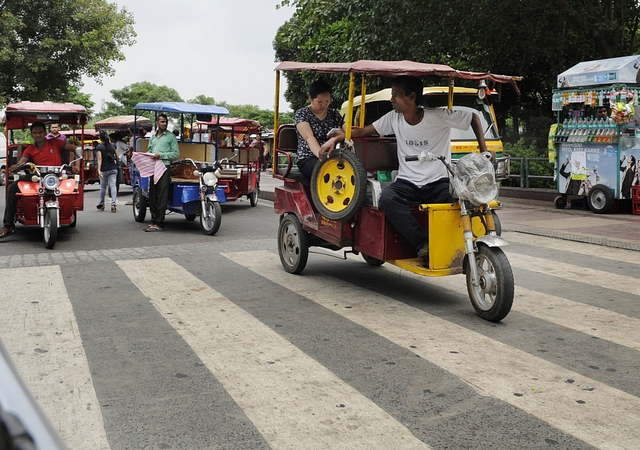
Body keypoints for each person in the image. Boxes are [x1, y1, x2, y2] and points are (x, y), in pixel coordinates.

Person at [349, 76, 489, 260]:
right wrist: (338, 136)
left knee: (462, 202)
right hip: (408, 183)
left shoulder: (437, 116)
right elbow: (362, 131)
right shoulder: (394, 118)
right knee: (388, 199)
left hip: (438, 182)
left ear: (412, 97)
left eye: (396, 95)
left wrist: (485, 151)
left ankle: (464, 244)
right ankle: (422, 243)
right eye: (393, 95)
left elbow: (473, 117)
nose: (392, 99)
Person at [1, 122, 82, 239]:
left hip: (55, 176)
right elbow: (22, 161)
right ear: (32, 135)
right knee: (12, 187)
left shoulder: (56, 143)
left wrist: (77, 166)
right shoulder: (30, 149)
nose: (38, 135)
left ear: (45, 133)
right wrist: (16, 166)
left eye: (40, 132)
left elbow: (75, 149)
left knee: (71, 188)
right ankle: (8, 225)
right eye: (35, 132)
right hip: (38, 176)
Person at [295, 77, 345, 179]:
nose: (324, 105)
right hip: (308, 157)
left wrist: (338, 137)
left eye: (327, 101)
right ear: (311, 99)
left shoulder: (334, 114)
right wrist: (321, 156)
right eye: (319, 102)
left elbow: (348, 133)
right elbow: (309, 138)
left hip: (332, 156)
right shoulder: (302, 113)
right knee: (327, 171)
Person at [144, 113, 179, 232]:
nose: (164, 124)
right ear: (157, 123)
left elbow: (175, 154)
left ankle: (159, 223)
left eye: (165, 122)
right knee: (152, 195)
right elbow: (149, 151)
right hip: (153, 168)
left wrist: (161, 155)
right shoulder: (153, 137)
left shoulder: (170, 137)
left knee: (162, 195)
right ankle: (153, 221)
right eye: (162, 122)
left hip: (164, 168)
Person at [96, 131, 118, 213]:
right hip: (113, 168)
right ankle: (113, 204)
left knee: (102, 187)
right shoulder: (113, 145)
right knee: (113, 186)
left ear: (100, 138)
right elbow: (117, 157)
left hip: (104, 169)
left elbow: (100, 159)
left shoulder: (99, 147)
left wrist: (99, 170)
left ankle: (102, 204)